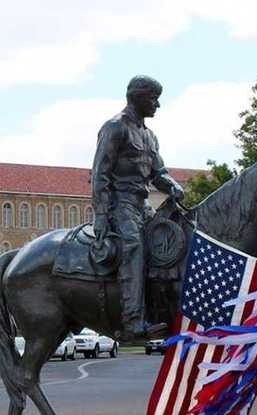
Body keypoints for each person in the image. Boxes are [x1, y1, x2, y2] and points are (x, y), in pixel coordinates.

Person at [91, 75, 184, 341]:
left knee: (168, 243)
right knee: (134, 247)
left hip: (142, 204)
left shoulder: (149, 136)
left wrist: (173, 186)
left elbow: (159, 173)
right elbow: (100, 174)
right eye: (154, 99)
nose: (158, 105)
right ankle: (133, 320)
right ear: (138, 97)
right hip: (119, 204)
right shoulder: (114, 128)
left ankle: (161, 309)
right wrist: (101, 215)